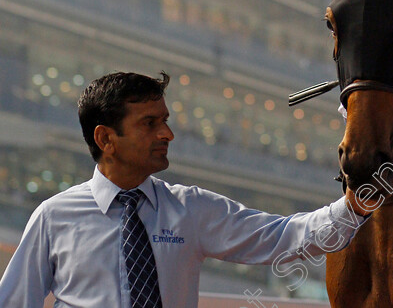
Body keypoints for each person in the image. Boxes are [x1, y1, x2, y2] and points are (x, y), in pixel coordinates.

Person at [0, 72, 370, 308]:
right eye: (150, 123)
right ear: (105, 138)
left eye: (165, 121)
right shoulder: (53, 217)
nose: (167, 134)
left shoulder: (190, 209)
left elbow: (284, 237)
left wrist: (354, 206)